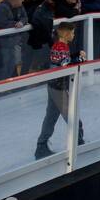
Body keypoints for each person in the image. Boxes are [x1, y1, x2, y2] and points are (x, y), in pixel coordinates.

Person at [34, 21, 85, 160]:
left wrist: (75, 55)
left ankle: (41, 146)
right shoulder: (61, 47)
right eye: (73, 33)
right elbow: (64, 64)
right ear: (67, 34)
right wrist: (79, 59)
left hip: (53, 86)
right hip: (58, 88)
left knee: (51, 116)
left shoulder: (59, 45)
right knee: (72, 116)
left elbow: (63, 60)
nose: (74, 35)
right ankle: (79, 142)